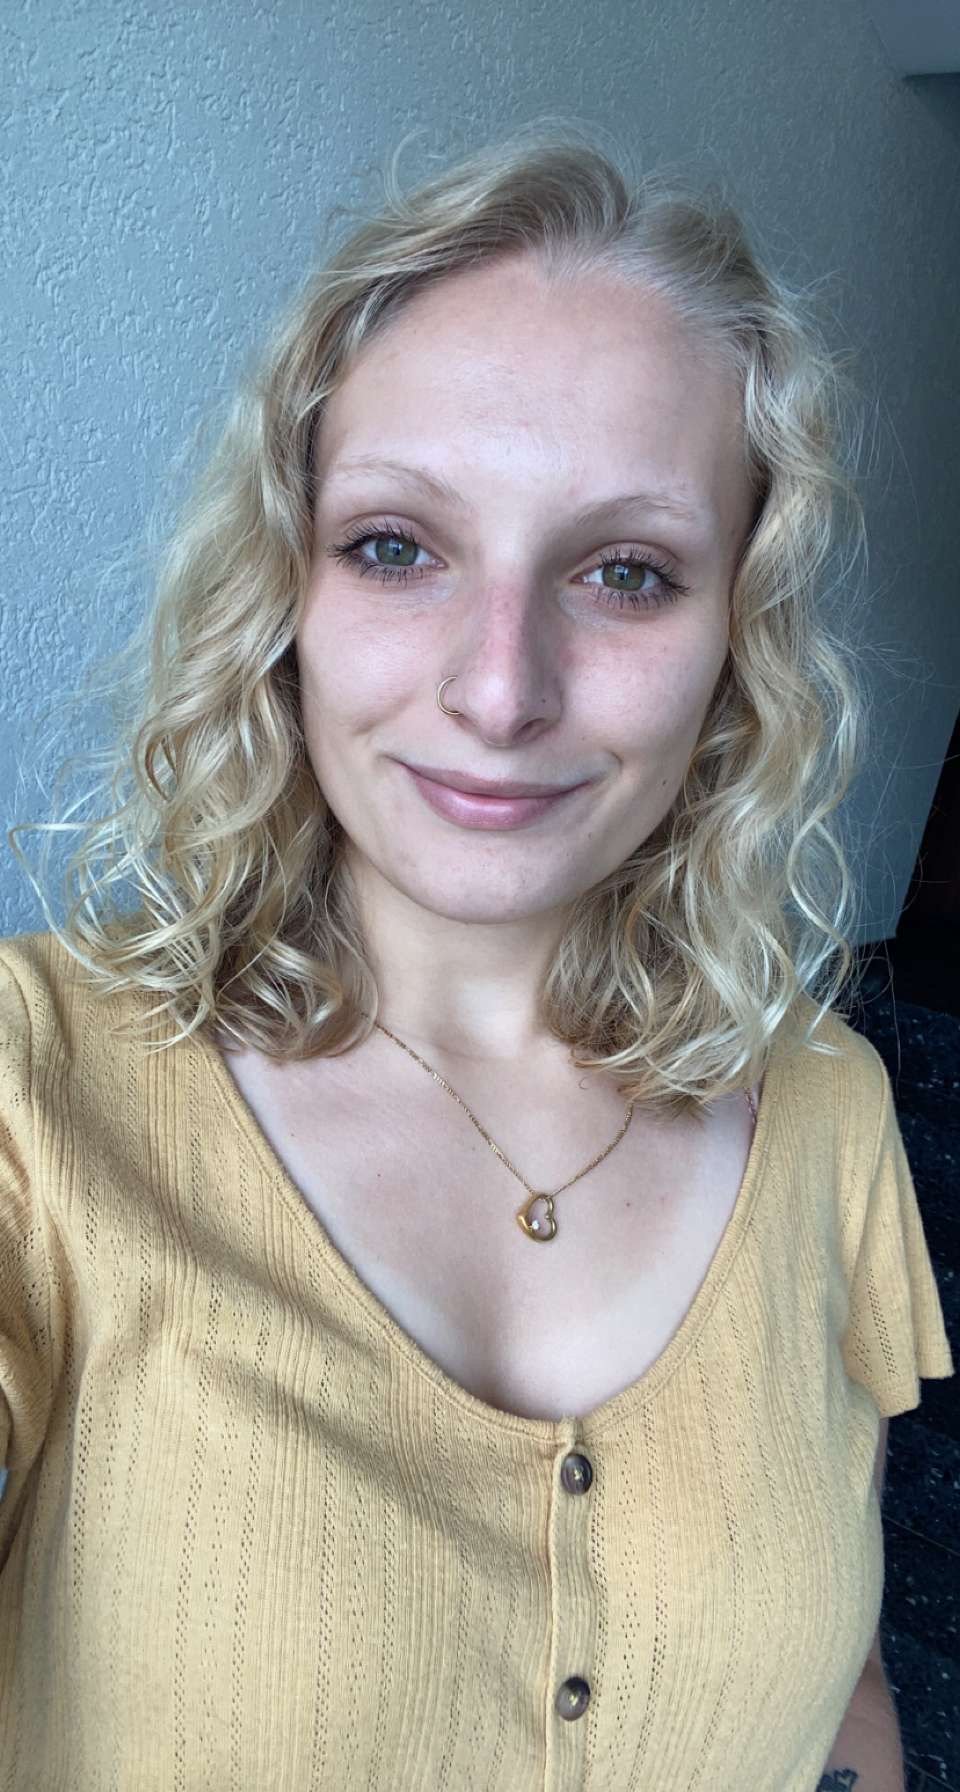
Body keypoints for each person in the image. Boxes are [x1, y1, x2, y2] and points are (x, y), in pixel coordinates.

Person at [0, 121, 953, 1789]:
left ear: (740, 636)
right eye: (397, 546)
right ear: (282, 590)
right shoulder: (34, 1088)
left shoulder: (828, 1108)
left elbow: (843, 1694)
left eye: (628, 573)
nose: (501, 689)